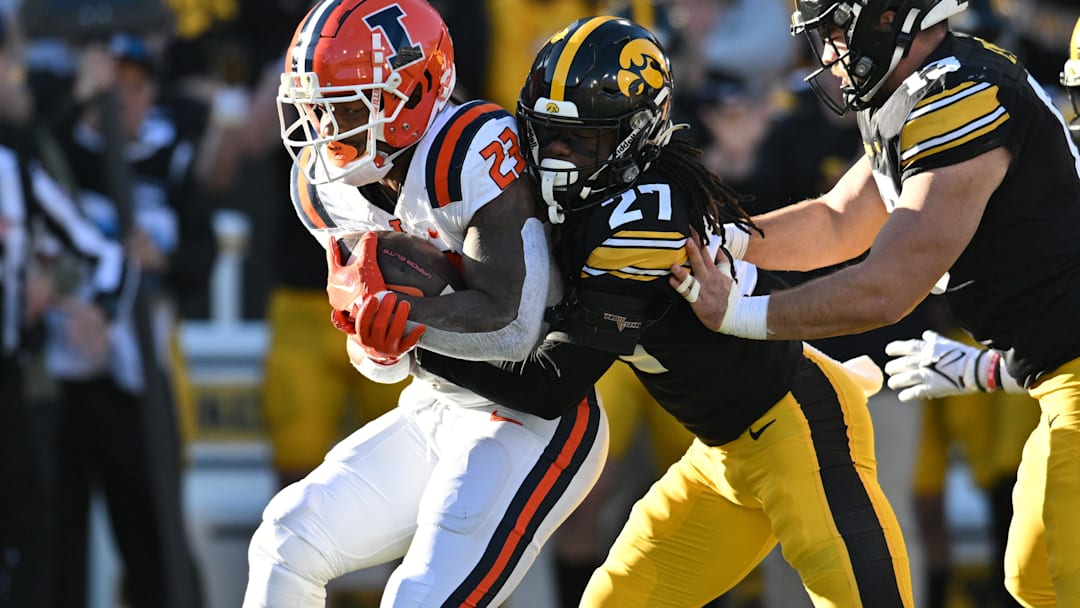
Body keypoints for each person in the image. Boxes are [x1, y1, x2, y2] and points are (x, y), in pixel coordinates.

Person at [414, 16, 914, 607]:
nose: (556, 156)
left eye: (582, 139)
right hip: (721, 452)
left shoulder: (641, 220)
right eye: (546, 134)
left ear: (638, 135)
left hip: (798, 427)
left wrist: (415, 337)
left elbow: (554, 385)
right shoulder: (583, 198)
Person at [674, 2, 1080, 606]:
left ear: (889, 16)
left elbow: (888, 285)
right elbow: (840, 221)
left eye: (835, 31)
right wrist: (720, 244)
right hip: (1055, 372)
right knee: (1035, 579)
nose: (828, 52)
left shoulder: (958, 94)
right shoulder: (925, 88)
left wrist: (741, 315)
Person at [241, 0, 608, 605]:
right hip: (435, 406)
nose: (326, 126)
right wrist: (377, 339)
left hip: (531, 416)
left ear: (411, 93)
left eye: (346, 103)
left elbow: (515, 324)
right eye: (315, 105)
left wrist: (407, 321)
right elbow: (379, 359)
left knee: (419, 596)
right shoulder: (321, 186)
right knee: (287, 538)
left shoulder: (469, 149)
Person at [39, 32, 212, 608]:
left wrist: (163, 261)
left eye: (136, 88)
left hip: (139, 372)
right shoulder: (56, 148)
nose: (124, 101)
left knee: (152, 528)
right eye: (111, 88)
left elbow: (202, 256)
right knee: (53, 536)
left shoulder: (172, 154)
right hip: (61, 370)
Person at [0, 13, 133, 607]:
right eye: (14, 67)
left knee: (34, 543)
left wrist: (81, 298)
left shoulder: (17, 170)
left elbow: (102, 253)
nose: (20, 80)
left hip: (19, 382)